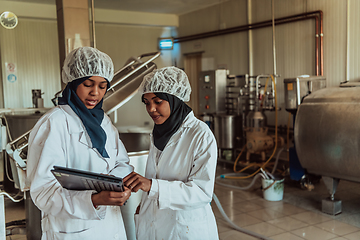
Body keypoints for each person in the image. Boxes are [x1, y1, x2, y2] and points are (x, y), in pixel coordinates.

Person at [27, 46, 133, 240]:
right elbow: (43, 192)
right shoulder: (54, 123)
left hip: (111, 227)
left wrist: (113, 184)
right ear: (74, 83)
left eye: (102, 86)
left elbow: (122, 163)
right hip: (72, 229)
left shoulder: (104, 122)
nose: (95, 93)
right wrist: (93, 199)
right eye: (88, 84)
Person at [124, 66, 219, 240]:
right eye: (146, 102)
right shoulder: (160, 131)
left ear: (175, 99)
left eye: (157, 101)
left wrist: (152, 186)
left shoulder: (200, 134)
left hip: (185, 227)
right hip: (155, 220)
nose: (151, 109)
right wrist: (145, 205)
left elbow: (201, 192)